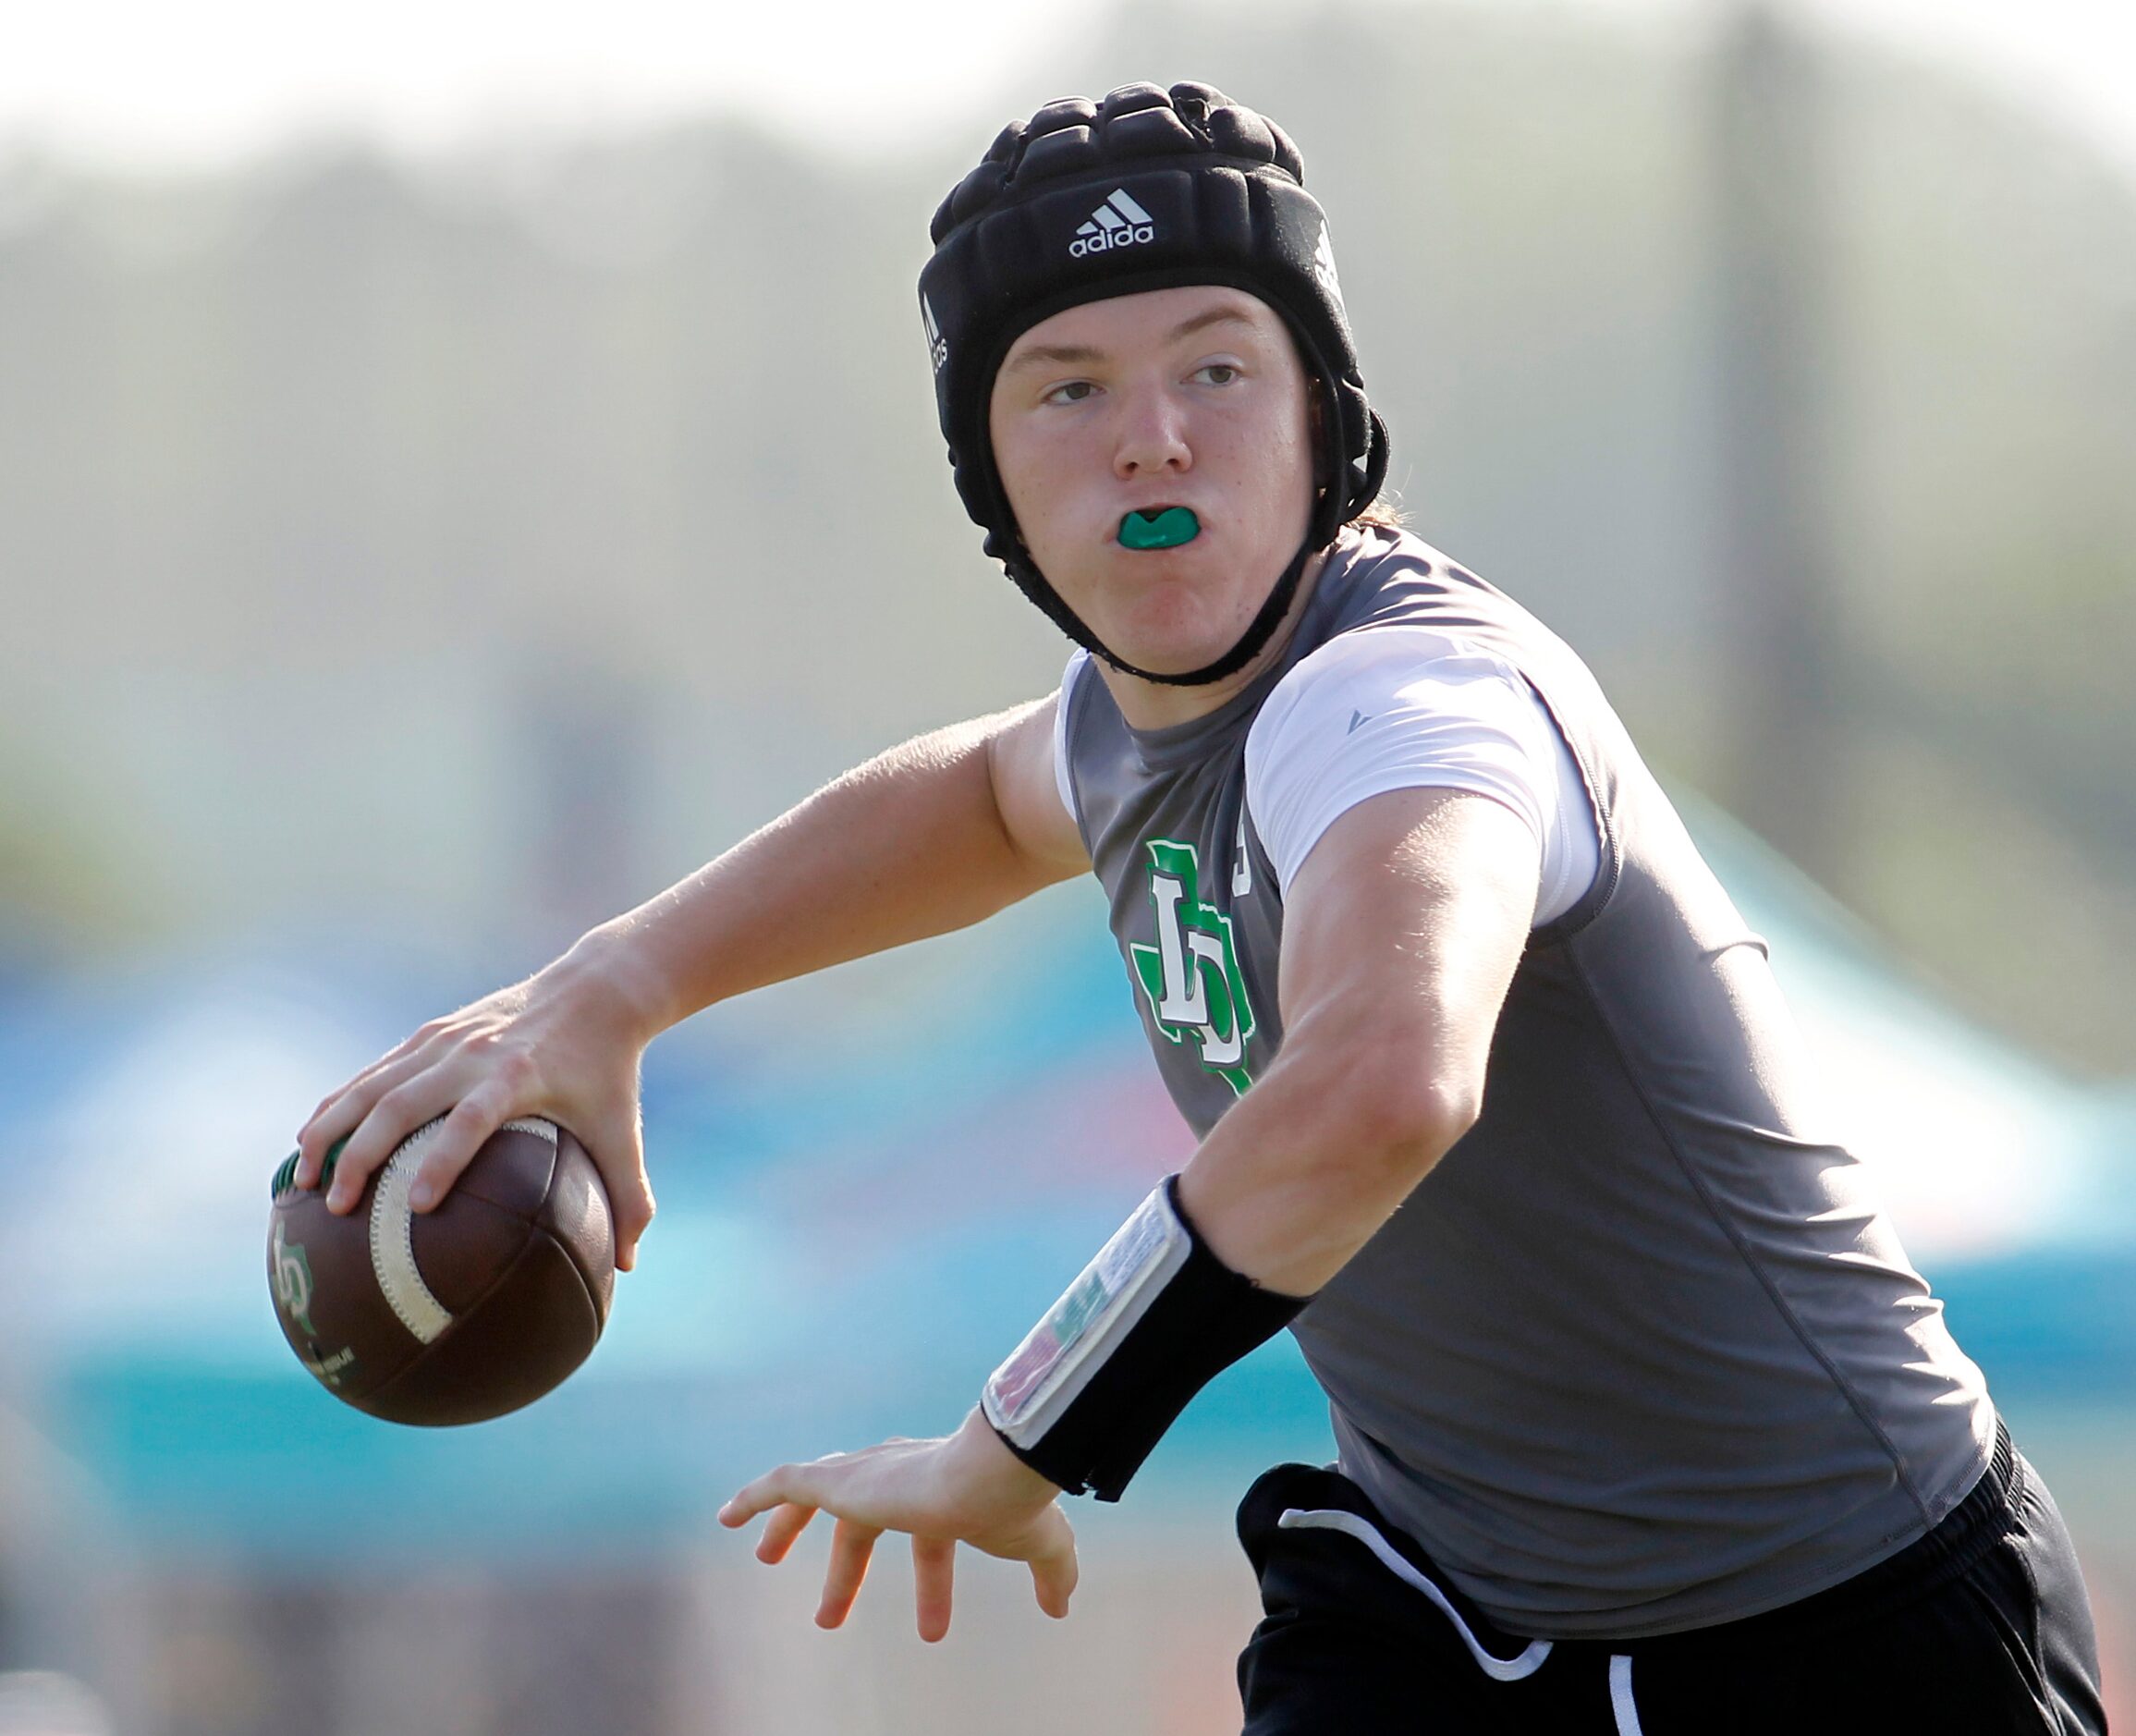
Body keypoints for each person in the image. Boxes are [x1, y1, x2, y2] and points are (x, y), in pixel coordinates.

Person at [295, 83, 2106, 1733]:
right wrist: (614, 985)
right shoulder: (1128, 731)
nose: (1148, 441)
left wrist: (1019, 1439)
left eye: (1214, 368)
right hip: (1451, 1612)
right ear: (989, 476)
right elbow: (986, 794)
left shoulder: (1404, 707)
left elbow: (1381, 1086)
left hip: (1842, 1636)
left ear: (1324, 412)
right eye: (1065, 386)